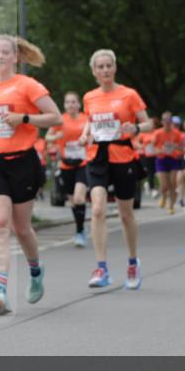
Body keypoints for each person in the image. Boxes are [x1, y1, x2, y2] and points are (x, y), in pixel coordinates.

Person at [0, 35, 62, 315]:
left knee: (22, 229)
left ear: (15, 57)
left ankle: (36, 270)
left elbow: (55, 117)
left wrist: (23, 118)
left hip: (23, 161)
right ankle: (0, 290)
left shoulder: (28, 85)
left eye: (5, 52)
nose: (0, 56)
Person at [78, 49, 152, 289]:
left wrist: (136, 129)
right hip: (98, 156)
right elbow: (91, 121)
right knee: (98, 209)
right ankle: (101, 268)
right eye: (100, 67)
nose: (105, 70)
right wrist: (84, 134)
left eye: (109, 65)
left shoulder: (128, 94)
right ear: (94, 72)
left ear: (115, 68)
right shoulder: (89, 97)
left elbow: (148, 122)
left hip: (123, 156)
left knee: (125, 214)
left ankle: (132, 262)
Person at [46, 92, 90, 247]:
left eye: (73, 102)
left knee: (79, 198)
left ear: (78, 104)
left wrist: (87, 140)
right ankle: (81, 228)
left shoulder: (86, 119)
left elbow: (92, 136)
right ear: (64, 105)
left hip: (82, 164)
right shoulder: (60, 120)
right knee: (72, 201)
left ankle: (79, 231)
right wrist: (57, 136)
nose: (71, 105)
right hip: (66, 165)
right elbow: (47, 137)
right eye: (68, 102)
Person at [152, 112, 183, 215]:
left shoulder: (177, 133)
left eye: (169, 121)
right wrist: (160, 150)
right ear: (162, 122)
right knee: (164, 185)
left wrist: (175, 146)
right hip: (161, 159)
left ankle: (171, 206)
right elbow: (152, 147)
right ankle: (164, 197)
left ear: (171, 122)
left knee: (173, 184)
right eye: (165, 120)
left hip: (173, 159)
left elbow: (182, 147)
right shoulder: (157, 133)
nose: (167, 123)